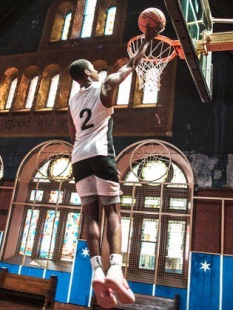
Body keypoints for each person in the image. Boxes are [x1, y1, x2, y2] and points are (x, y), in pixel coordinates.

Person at [67, 25, 161, 308]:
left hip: (78, 157)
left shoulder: (73, 101)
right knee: (113, 212)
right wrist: (148, 39)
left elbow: (72, 132)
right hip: (100, 154)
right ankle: (116, 270)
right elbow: (131, 66)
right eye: (93, 70)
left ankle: (97, 270)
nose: (97, 72)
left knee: (90, 216)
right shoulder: (103, 86)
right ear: (87, 74)